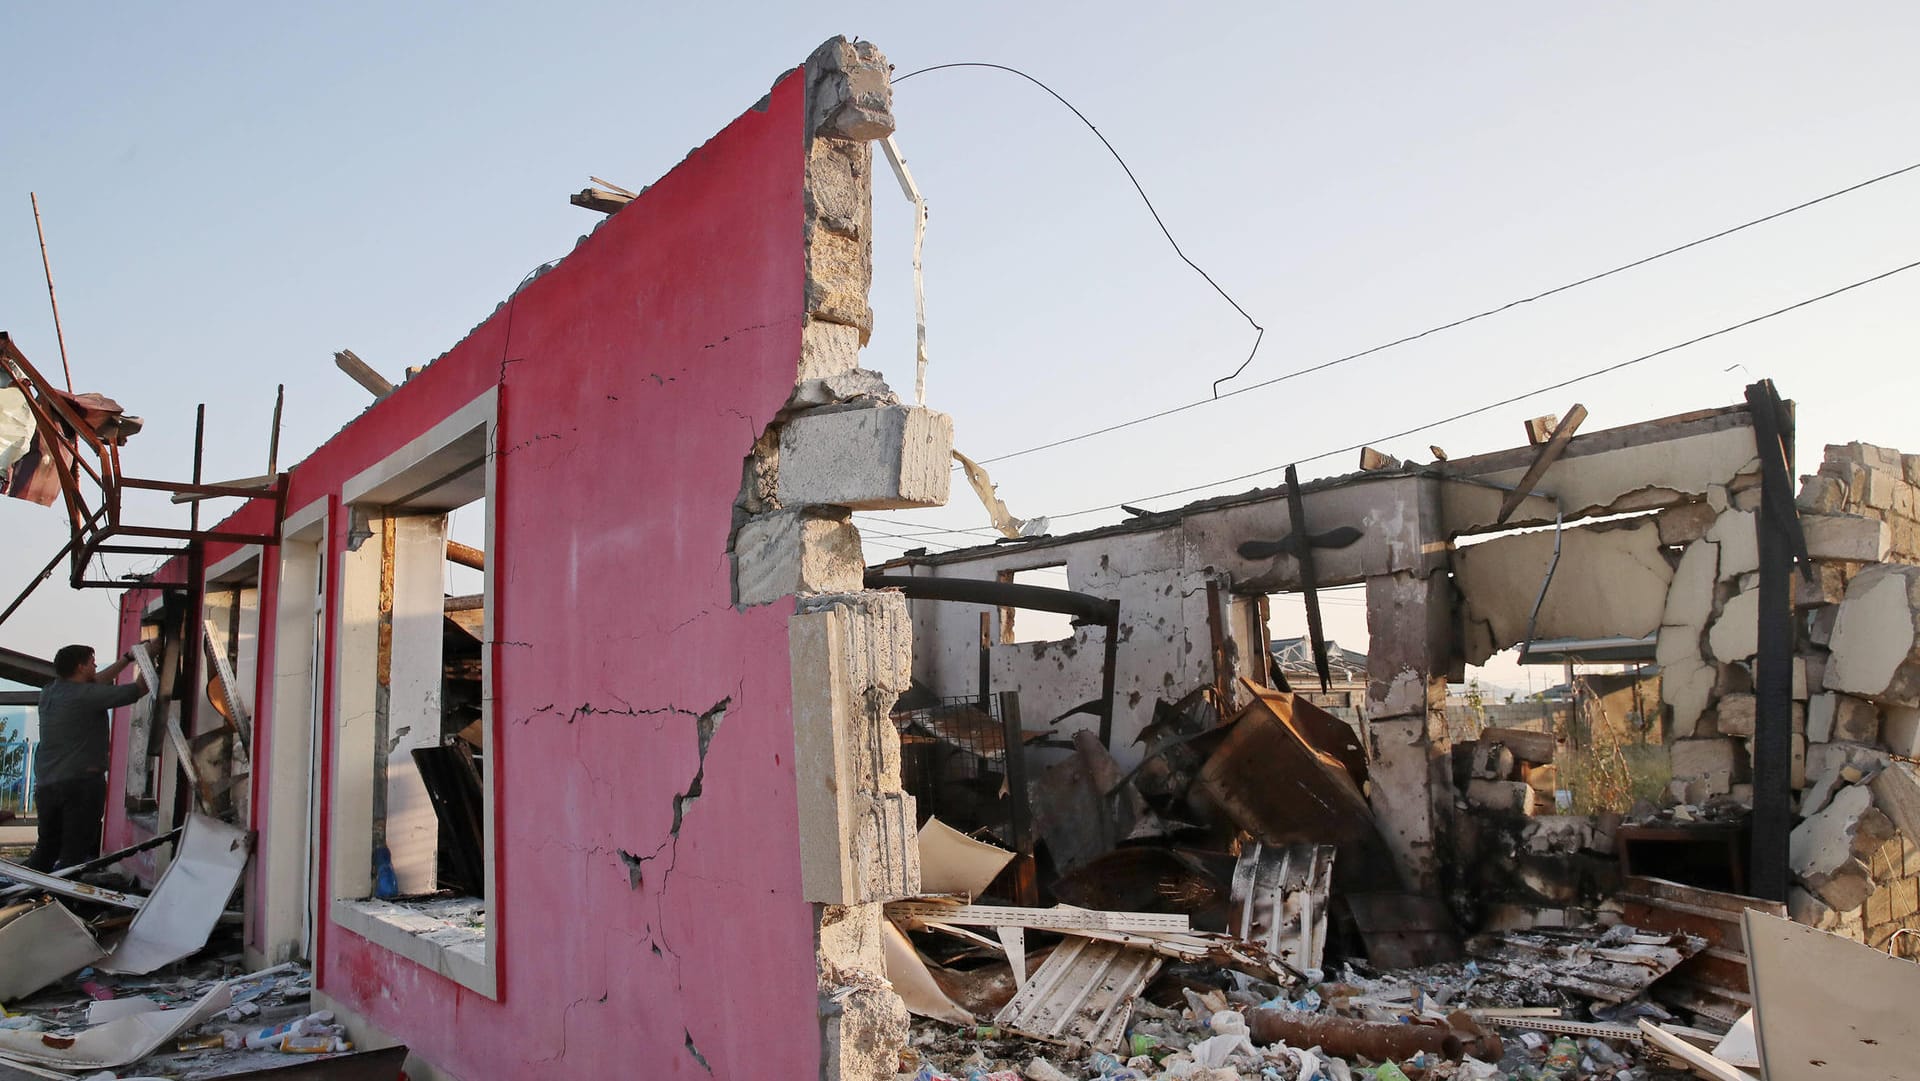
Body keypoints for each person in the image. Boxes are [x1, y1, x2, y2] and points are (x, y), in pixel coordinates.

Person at [27, 641, 155, 872]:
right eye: (92, 662)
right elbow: (139, 689)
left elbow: (96, 684)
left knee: (46, 848)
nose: (96, 666)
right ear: (80, 667)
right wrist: (153, 657)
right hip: (81, 786)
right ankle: (65, 898)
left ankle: (27, 892)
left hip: (47, 786)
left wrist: (127, 658)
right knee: (74, 854)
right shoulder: (85, 696)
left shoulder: (50, 692)